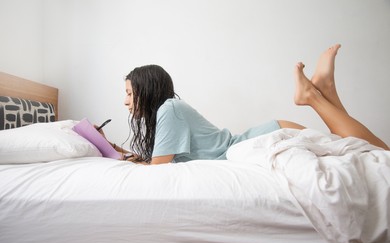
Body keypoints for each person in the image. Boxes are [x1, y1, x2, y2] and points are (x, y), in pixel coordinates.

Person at [104, 44, 389, 164]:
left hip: (266, 139)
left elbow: (157, 167)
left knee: (375, 153)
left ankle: (315, 96)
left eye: (130, 93)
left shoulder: (169, 109)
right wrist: (116, 151)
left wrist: (116, 156)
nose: (125, 101)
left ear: (147, 89)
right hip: (267, 135)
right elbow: (156, 160)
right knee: (359, 149)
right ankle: (324, 92)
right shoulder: (167, 112)